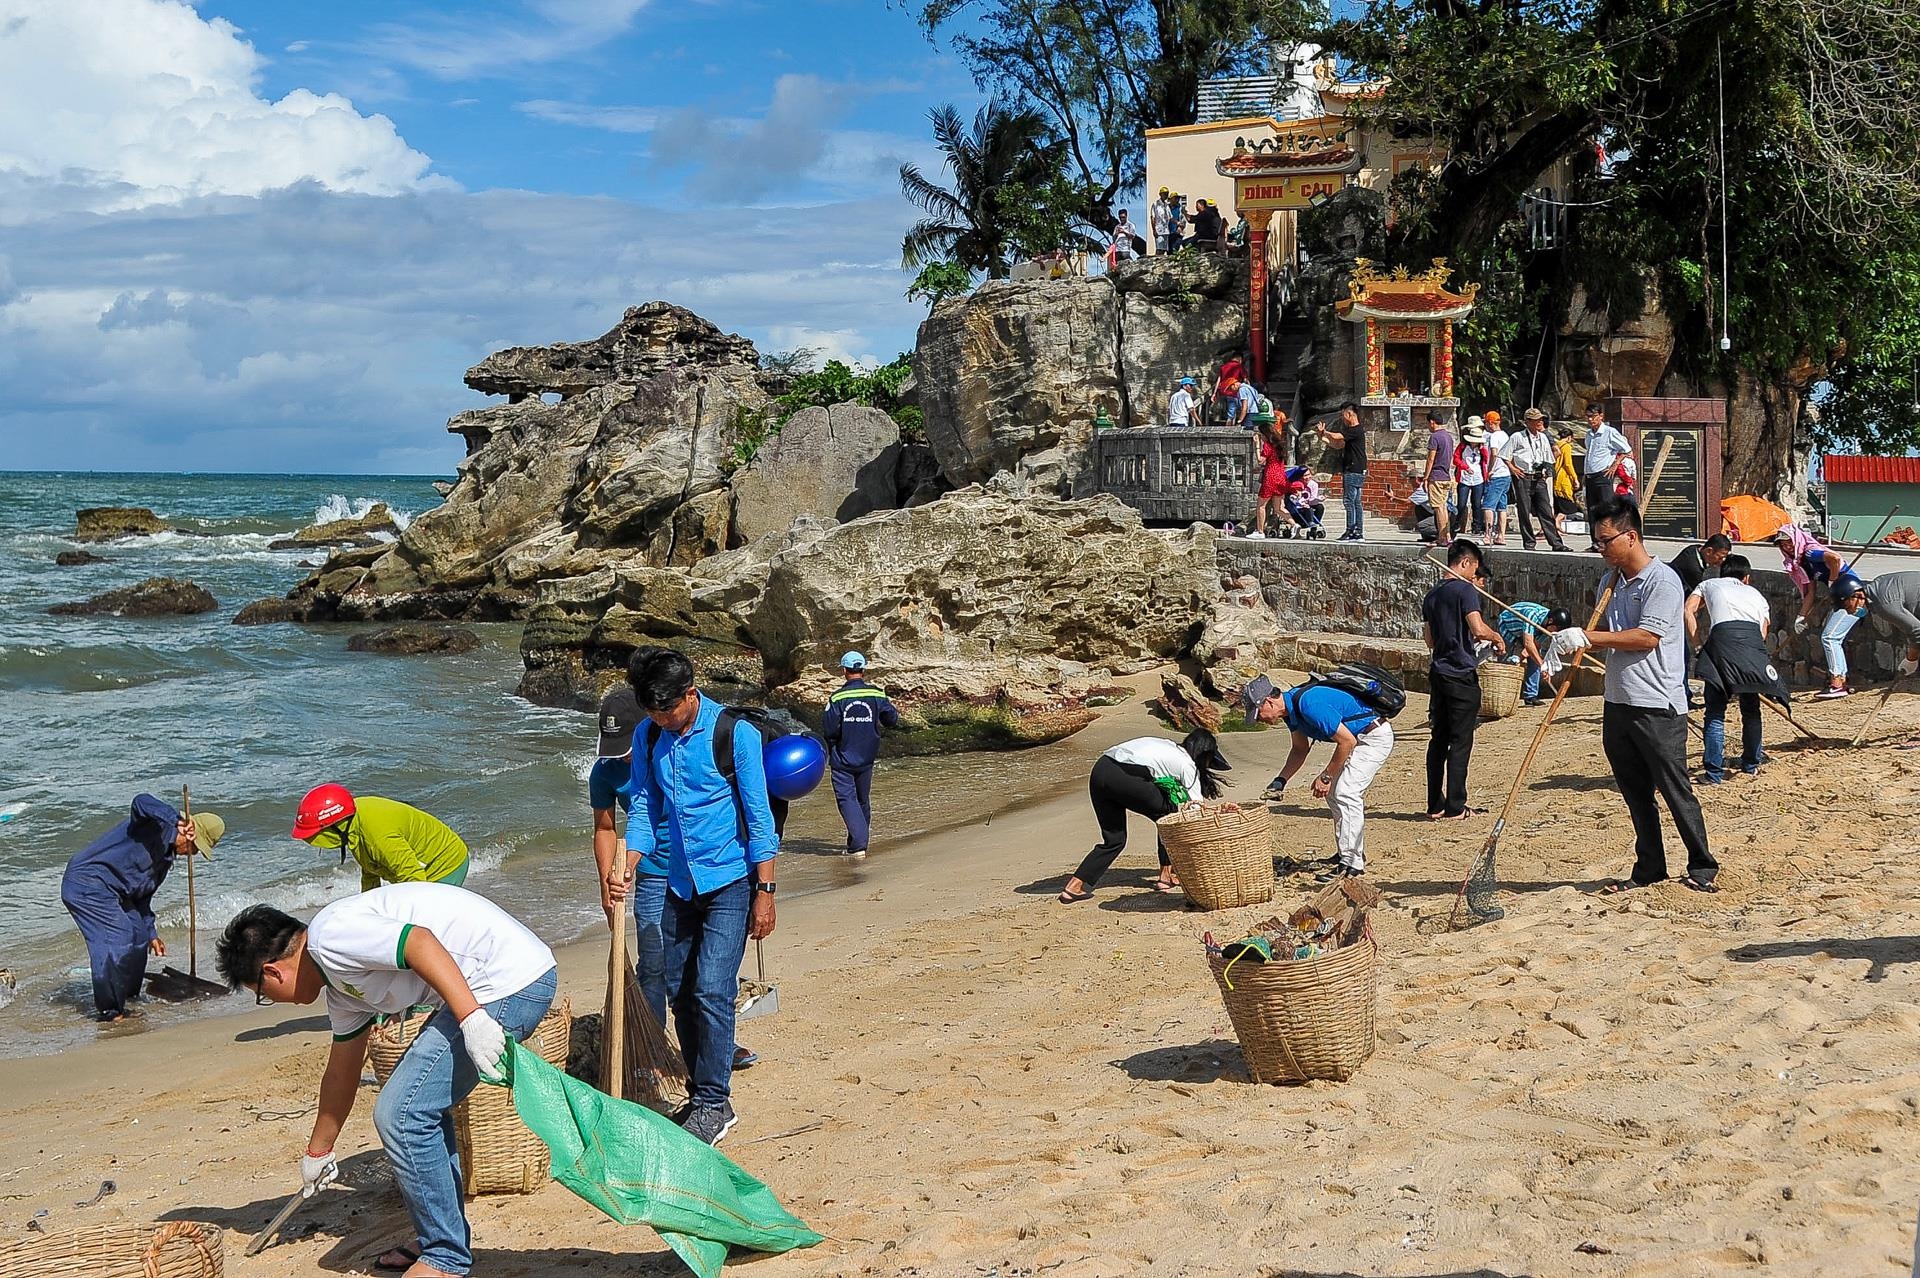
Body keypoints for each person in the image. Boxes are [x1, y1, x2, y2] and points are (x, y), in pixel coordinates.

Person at [216, 884, 557, 1278]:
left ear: (272, 971)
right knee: (418, 1108)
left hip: (509, 982)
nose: (273, 1002)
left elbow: (419, 942)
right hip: (482, 988)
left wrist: (471, 1019)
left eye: (263, 994)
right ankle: (442, 1237)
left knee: (402, 1113)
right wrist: (318, 1152)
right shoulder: (340, 988)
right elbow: (342, 1069)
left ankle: (445, 1258)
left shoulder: (330, 938)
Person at [625, 648, 778, 1145]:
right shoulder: (648, 734)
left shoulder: (735, 735)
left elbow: (760, 818)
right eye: (653, 715)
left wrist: (766, 892)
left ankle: (715, 1102)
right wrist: (626, 863)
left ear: (691, 694)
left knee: (713, 988)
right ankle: (699, 1092)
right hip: (676, 882)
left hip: (730, 883)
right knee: (680, 992)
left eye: (668, 713)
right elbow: (645, 804)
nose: (662, 723)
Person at [1558, 496, 1719, 893]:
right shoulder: (1609, 582)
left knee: (1674, 788)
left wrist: (1589, 637)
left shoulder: (1663, 581)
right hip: (1618, 701)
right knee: (1635, 793)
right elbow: (1607, 638)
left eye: (1605, 540)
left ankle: (1702, 864)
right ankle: (1649, 868)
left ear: (1630, 537)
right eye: (1596, 541)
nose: (1601, 549)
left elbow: (1647, 637)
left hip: (1658, 705)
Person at [61, 795, 224, 1022]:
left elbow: (142, 899)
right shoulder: (156, 825)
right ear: (190, 834)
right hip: (87, 883)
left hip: (115, 892)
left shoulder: (164, 863)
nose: (193, 854)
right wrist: (174, 819)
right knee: (118, 936)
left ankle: (127, 996)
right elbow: (140, 802)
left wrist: (151, 933)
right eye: (196, 848)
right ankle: (110, 1011)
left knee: (137, 935)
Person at [1242, 674, 1394, 880]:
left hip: (1373, 737)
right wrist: (1281, 780)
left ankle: (1352, 864)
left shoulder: (1308, 704)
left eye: (1258, 713)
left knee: (1346, 793)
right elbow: (1299, 749)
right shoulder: (1291, 711)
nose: (1259, 719)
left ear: (1268, 701)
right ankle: (1347, 853)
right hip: (1359, 739)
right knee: (1335, 795)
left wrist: (1325, 777)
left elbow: (1346, 742)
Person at [1058, 730, 1229, 903]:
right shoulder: (1187, 765)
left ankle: (1074, 887)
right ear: (1203, 754)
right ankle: (1165, 877)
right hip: (1125, 776)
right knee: (1169, 817)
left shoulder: (1167, 745)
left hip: (1100, 770)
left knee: (1114, 840)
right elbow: (1195, 809)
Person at [588, 685, 670, 1028]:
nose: (622, 757)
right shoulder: (606, 772)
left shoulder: (672, 752)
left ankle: (711, 1045)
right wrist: (607, 882)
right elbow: (605, 829)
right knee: (652, 962)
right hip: (649, 870)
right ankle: (655, 1044)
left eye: (627, 748)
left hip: (697, 867)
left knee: (696, 961)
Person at [1422, 538, 1504, 819]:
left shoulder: (1432, 595)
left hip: (1439, 671)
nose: (1475, 575)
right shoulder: (1465, 591)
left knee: (1438, 739)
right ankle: (1456, 805)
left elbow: (1429, 639)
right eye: (1474, 568)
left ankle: (1435, 804)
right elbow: (1478, 629)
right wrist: (1496, 637)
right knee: (1460, 741)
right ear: (1466, 563)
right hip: (1459, 673)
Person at [1684, 553, 1780, 783]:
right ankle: (1751, 765)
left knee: (1715, 713)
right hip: (1751, 645)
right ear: (1746, 578)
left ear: (1721, 572)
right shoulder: (1756, 594)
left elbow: (1688, 610)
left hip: (1721, 643)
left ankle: (1714, 773)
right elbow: (1763, 631)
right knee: (1751, 710)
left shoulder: (1708, 583)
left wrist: (1698, 645)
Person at [291, 786, 469, 892]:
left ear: (335, 825)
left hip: (445, 865)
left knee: (425, 929)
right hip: (419, 869)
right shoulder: (354, 822)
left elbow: (413, 876)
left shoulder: (378, 834)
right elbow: (370, 870)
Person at [822, 651, 900, 857]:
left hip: (843, 757)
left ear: (844, 671)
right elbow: (892, 719)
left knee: (846, 799)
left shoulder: (837, 697)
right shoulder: (877, 694)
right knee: (862, 799)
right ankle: (856, 843)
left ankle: (858, 844)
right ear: (863, 670)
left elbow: (830, 729)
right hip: (868, 757)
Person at [1771, 524, 1859, 697]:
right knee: (1834, 637)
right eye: (1783, 544)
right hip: (1842, 598)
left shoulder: (1810, 552)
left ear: (1796, 539)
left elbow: (1834, 558)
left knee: (1830, 637)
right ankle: (1840, 680)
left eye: (1789, 542)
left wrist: (1833, 581)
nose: (1787, 546)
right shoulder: (1802, 562)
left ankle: (1837, 684)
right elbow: (1810, 593)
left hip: (1853, 596)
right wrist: (1801, 617)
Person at [1502, 408, 1568, 551]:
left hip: (1539, 477)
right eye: (1536, 420)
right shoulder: (1517, 436)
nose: (1539, 422)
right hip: (1523, 476)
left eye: (1540, 419)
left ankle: (1556, 543)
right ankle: (1529, 542)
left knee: (1545, 510)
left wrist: (1546, 469)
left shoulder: (1543, 437)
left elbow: (1549, 456)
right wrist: (1513, 469)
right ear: (1528, 422)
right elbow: (1504, 455)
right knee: (1524, 510)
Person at [1494, 600, 1572, 706]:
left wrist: (1520, 658)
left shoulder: (1547, 628)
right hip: (1508, 626)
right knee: (1504, 658)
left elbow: (1534, 647)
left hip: (1526, 632)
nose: (1556, 632)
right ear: (1550, 621)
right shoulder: (1532, 615)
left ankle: (1531, 696)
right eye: (1557, 629)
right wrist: (1543, 666)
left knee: (1535, 657)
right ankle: (1500, 695)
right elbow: (1528, 643)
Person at [1580, 404, 1633, 549]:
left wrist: (1615, 465)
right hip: (1591, 476)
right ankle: (1596, 542)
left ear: (1601, 416)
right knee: (1592, 511)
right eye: (1588, 417)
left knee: (1606, 510)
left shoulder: (1609, 432)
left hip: (1603, 475)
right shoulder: (1588, 434)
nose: (1590, 420)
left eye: (1593, 416)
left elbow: (1626, 450)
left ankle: (1609, 541)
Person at [1316, 402, 1367, 541]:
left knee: (1349, 501)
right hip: (1357, 469)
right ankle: (1358, 532)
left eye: (1343, 414)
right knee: (1356, 501)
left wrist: (1324, 431)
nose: (1342, 418)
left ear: (1349, 414)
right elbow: (1338, 444)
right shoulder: (1353, 432)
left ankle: (1351, 530)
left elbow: (1338, 436)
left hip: (1353, 469)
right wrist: (1322, 438)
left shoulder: (1355, 429)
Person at [1245, 409, 1289, 539]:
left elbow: (1260, 460)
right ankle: (1294, 525)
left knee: (1261, 506)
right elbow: (1273, 462)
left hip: (1270, 479)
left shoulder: (1268, 446)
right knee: (1279, 508)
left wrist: (1257, 445)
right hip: (1280, 477)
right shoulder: (1279, 445)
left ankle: (1260, 531)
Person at [1453, 417, 1492, 537]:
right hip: (1464, 478)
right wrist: (1464, 466)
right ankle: (1456, 524)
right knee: (1461, 503)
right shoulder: (1463, 446)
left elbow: (1486, 461)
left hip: (1478, 478)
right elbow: (1456, 459)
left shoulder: (1482, 449)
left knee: (1476, 504)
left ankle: (1477, 526)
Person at [1421, 413, 1456, 544]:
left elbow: (1431, 458)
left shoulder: (1434, 437)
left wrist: (1425, 477)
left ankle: (1442, 537)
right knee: (1443, 507)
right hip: (1446, 476)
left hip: (1436, 476)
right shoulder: (1448, 437)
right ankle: (1446, 535)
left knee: (1438, 508)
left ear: (1432, 422)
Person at [1482, 410, 1513, 544]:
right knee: (1502, 506)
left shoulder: (1494, 436)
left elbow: (1494, 454)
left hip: (1496, 474)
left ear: (1490, 423)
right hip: (1506, 474)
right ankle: (1501, 535)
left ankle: (1488, 535)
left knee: (1488, 505)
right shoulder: (1505, 435)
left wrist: (1489, 470)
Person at [1281, 465, 1327, 538]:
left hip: (1308, 504)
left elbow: (1312, 500)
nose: (1307, 477)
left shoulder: (1313, 484)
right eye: (1305, 475)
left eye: (1309, 474)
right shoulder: (1295, 485)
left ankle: (1313, 527)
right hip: (1297, 507)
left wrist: (1318, 499)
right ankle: (1307, 522)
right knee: (1306, 509)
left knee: (1320, 507)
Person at [1552, 423, 1582, 533]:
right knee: (1569, 506)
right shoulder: (1566, 447)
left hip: (1555, 478)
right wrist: (1575, 478)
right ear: (1569, 437)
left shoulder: (1555, 445)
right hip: (1563, 479)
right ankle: (1557, 522)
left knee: (1557, 505)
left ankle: (1557, 527)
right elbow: (1568, 464)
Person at [1149, 189, 1172, 255]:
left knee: (1164, 249)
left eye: (1167, 194)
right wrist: (1154, 230)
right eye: (1164, 194)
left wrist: (1178, 223)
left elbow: (1170, 217)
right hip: (1159, 230)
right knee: (1159, 248)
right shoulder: (1155, 204)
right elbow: (1153, 217)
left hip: (1166, 230)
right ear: (1160, 194)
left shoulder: (1166, 205)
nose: (1166, 195)